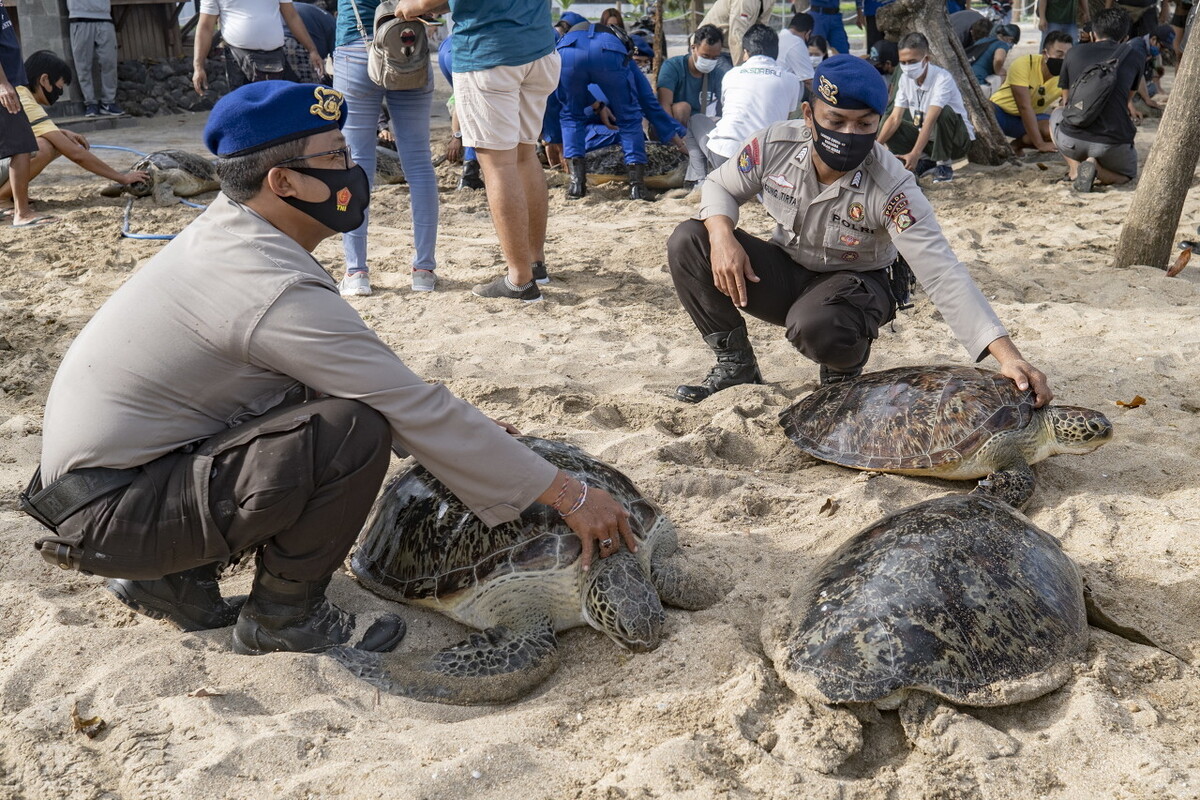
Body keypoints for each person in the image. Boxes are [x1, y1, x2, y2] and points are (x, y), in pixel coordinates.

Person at [23, 81, 635, 657]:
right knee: (353, 428)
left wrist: (471, 441)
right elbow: (404, 403)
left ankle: (173, 581)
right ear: (284, 180)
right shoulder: (270, 286)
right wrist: (568, 493)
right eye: (336, 155)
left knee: (324, 400)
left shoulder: (234, 235)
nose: (352, 171)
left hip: (106, 492)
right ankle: (284, 619)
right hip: (109, 513)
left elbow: (374, 381)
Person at [665, 55, 1051, 408]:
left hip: (855, 286)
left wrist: (1009, 356)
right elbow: (718, 185)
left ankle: (841, 379)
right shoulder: (775, 144)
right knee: (689, 239)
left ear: (878, 123)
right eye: (835, 121)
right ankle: (736, 366)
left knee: (818, 323)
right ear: (808, 114)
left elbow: (942, 272)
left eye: (864, 124)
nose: (849, 134)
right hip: (788, 270)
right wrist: (721, 235)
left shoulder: (892, 187)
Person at [397, 0, 559, 302]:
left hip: (490, 52)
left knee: (498, 165)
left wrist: (411, 6)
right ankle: (535, 264)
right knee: (525, 156)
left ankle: (520, 280)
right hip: (538, 47)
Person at [331, 0, 438, 296]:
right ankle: (424, 271)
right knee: (418, 163)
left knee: (354, 164)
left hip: (355, 45)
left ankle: (356, 272)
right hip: (405, 43)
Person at [0, 52, 149, 214]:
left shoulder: (18, 92)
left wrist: (61, 132)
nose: (60, 92)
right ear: (44, 80)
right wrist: (123, 178)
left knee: (53, 141)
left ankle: (11, 194)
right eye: (60, 86)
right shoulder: (24, 99)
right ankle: (2, 198)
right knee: (44, 147)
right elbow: (75, 153)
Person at [554, 21, 685, 201]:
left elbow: (553, 98)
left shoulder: (569, 37)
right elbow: (647, 101)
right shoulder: (619, 47)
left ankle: (577, 185)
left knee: (570, 116)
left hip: (568, 51)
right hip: (609, 53)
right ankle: (636, 187)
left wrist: (552, 140)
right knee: (629, 119)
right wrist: (673, 135)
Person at [1054, 8, 1142, 191]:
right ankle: (1097, 169)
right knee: (1127, 176)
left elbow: (1066, 101)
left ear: (1093, 33)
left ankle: (1075, 167)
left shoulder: (1073, 53)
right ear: (1125, 37)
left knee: (1057, 113)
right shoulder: (1134, 56)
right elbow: (1127, 99)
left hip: (1072, 139)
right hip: (1112, 144)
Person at [876, 33, 975, 183]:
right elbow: (895, 118)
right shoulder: (905, 79)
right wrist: (875, 147)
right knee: (893, 125)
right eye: (903, 62)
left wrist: (915, 153)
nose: (907, 67)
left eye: (912, 61)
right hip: (928, 140)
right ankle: (924, 162)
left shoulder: (942, 78)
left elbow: (931, 119)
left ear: (926, 59)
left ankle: (944, 165)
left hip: (955, 142)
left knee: (943, 112)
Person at [702, 25, 801, 172]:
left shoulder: (731, 75)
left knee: (696, 121)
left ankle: (697, 178)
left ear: (745, 53)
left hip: (725, 156)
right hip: (766, 160)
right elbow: (786, 118)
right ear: (775, 51)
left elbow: (727, 109)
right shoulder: (791, 80)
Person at [193, 0, 325, 93]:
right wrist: (198, 66)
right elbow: (205, 27)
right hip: (239, 59)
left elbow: (292, 16)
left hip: (277, 58)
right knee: (247, 112)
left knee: (283, 109)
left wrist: (312, 50)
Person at [657, 25, 727, 189]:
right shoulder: (672, 67)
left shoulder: (717, 73)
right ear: (693, 48)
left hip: (697, 128)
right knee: (683, 108)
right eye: (705, 56)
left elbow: (726, 107)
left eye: (714, 57)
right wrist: (679, 141)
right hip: (672, 128)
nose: (709, 61)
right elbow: (663, 106)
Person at [0, 4, 48, 228]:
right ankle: (22, 212)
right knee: (21, 146)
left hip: (8, 81)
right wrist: (2, 83)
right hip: (4, 85)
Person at [988, 31, 1072, 154]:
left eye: (1068, 55)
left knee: (1057, 131)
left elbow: (1066, 104)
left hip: (1034, 117)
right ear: (1045, 54)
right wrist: (1040, 144)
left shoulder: (1068, 73)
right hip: (1001, 113)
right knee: (985, 108)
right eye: (1059, 54)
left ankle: (1018, 144)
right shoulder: (1023, 64)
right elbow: (1024, 107)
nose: (1064, 59)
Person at [436, 35, 483, 191]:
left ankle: (468, 166)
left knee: (464, 98)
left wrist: (456, 135)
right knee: (474, 106)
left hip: (447, 47)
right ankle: (469, 174)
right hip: (468, 51)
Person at [66, 0, 122, 117]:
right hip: (79, 15)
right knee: (83, 65)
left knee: (109, 62)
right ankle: (90, 103)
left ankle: (108, 102)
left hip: (104, 15)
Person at [699, 0, 775, 64]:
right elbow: (736, 37)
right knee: (732, 79)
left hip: (732, 49)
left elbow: (760, 32)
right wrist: (742, 70)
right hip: (711, 50)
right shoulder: (744, 2)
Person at [284, 0, 335, 84]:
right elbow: (338, 58)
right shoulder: (332, 23)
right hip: (296, 46)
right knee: (310, 90)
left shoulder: (297, 6)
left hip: (274, 47)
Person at [968, 22, 1019, 89]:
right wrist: (998, 71)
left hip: (966, 80)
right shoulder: (1002, 44)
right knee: (1003, 74)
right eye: (1012, 41)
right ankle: (994, 97)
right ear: (1010, 39)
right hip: (979, 85)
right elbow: (998, 59)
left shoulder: (982, 40)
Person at [777, 12, 816, 90]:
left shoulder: (779, 36)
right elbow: (809, 80)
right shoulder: (796, 42)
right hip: (784, 93)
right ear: (808, 33)